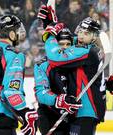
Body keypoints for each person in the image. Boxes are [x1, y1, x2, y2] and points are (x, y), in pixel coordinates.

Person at [38, 6, 106, 135]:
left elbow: (56, 58)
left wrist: (50, 35)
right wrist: (50, 24)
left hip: (86, 111)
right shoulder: (89, 49)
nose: (81, 35)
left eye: (86, 33)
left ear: (94, 37)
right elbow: (68, 40)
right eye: (80, 31)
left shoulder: (87, 51)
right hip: (84, 110)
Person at [0, 14, 38, 135]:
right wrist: (24, 111)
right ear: (11, 34)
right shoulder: (14, 55)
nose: (19, 33)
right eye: (16, 30)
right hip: (2, 116)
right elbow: (11, 91)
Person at [34, 27, 82, 135]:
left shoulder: (77, 63)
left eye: (68, 44)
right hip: (50, 116)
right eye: (61, 44)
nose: (65, 47)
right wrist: (58, 100)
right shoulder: (42, 65)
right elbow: (41, 93)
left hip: (72, 117)